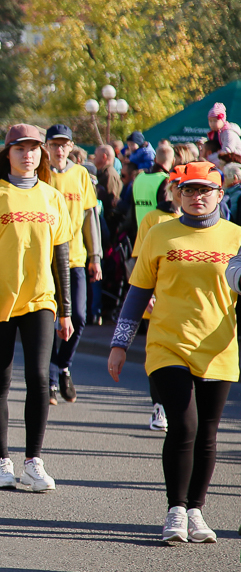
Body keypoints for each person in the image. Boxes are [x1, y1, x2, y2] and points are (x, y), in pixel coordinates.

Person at [111, 160, 241, 544]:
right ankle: (176, 510)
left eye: (205, 190)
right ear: (177, 194)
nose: (197, 196)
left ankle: (197, 511)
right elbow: (137, 294)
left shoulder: (236, 237)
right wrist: (119, 343)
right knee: (184, 425)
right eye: (189, 190)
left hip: (218, 349)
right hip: (168, 345)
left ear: (220, 194)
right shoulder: (159, 234)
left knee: (208, 433)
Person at [0, 124, 73, 492]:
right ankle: (2, 463)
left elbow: (62, 258)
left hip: (41, 299)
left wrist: (66, 311)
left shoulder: (53, 198)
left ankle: (33, 462)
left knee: (39, 378)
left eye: (34, 148)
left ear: (42, 154)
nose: (28, 155)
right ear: (7, 153)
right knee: (0, 380)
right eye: (20, 149)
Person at [43, 124, 102, 405]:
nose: (59, 150)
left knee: (78, 317)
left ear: (70, 147)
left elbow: (90, 217)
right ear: (46, 147)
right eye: (54, 144)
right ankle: (50, 380)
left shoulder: (80, 174)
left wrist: (95, 257)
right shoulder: (40, 175)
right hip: (45, 259)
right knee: (48, 320)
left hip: (75, 257)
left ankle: (62, 367)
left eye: (63, 145)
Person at [129, 165, 183, 432]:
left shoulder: (210, 221)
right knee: (159, 355)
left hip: (190, 304)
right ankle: (159, 406)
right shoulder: (153, 218)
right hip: (158, 301)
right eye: (179, 187)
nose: (184, 193)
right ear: (170, 189)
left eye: (189, 187)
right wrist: (145, 294)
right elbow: (138, 260)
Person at [132, 143, 173, 227]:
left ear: (155, 159)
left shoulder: (139, 177)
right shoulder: (165, 180)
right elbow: (166, 211)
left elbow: (132, 209)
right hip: (158, 231)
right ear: (173, 161)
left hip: (141, 231)